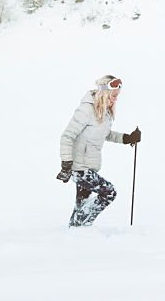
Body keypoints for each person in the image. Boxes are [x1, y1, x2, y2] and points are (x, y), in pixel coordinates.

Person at [57, 75, 140, 227]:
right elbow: (67, 136)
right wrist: (66, 163)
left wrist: (127, 138)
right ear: (105, 92)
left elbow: (104, 134)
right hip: (79, 167)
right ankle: (83, 225)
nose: (115, 99)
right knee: (109, 192)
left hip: (89, 166)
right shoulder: (86, 109)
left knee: (81, 205)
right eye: (113, 96)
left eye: (117, 96)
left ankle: (75, 232)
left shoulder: (104, 112)